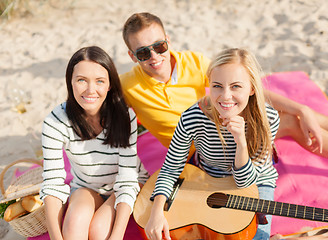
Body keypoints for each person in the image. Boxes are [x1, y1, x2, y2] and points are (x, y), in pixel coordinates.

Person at [120, 12, 328, 158]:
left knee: (296, 113)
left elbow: (245, 88)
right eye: (143, 53)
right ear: (132, 56)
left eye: (159, 46)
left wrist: (303, 109)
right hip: (202, 151)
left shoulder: (194, 62)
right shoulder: (127, 85)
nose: (155, 57)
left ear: (168, 40)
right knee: (291, 122)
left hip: (223, 125)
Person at [145, 48, 279, 240]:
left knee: (257, 237)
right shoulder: (193, 117)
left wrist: (240, 142)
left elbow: (245, 183)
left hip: (256, 182)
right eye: (217, 86)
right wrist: (157, 212)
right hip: (209, 179)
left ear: (251, 88)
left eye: (235, 87)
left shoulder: (269, 119)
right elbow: (170, 169)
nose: (225, 96)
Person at [40, 46, 148, 240]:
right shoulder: (55, 121)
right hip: (85, 186)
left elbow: (127, 180)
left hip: (127, 183)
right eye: (81, 80)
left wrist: (116, 236)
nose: (91, 90)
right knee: (74, 225)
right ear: (70, 82)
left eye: (99, 81)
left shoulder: (124, 116)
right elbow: (52, 184)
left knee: (99, 230)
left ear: (109, 85)